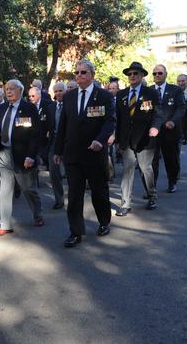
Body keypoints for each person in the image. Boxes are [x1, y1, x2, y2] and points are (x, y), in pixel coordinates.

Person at [54, 59, 116, 248]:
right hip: (73, 155)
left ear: (92, 75)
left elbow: (110, 122)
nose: (79, 76)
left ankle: (104, 222)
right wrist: (58, 150)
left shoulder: (103, 96)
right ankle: (76, 231)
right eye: (77, 72)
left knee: (99, 192)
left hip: (94, 153)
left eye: (83, 72)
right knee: (74, 196)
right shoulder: (69, 97)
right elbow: (62, 125)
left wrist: (100, 140)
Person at [0, 79, 44, 236]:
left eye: (12, 89)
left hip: (23, 155)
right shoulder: (2, 108)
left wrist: (31, 156)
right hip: (4, 153)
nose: (8, 92)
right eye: (6, 89)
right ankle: (5, 224)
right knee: (5, 189)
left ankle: (38, 214)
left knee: (28, 188)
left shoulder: (29, 108)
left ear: (20, 91)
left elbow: (36, 135)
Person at [114, 62, 163, 217]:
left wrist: (155, 127)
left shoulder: (151, 93)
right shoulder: (121, 94)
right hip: (127, 140)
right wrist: (116, 139)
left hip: (145, 139)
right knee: (127, 170)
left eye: (136, 73)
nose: (132, 76)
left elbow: (158, 113)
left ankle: (151, 195)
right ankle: (125, 203)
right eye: (130, 74)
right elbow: (118, 119)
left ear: (142, 76)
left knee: (145, 168)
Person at [148, 64, 185, 193]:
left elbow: (181, 108)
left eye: (160, 73)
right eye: (154, 73)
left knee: (171, 159)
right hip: (154, 132)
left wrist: (173, 121)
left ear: (166, 74)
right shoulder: (149, 90)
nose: (157, 75)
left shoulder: (175, 90)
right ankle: (152, 188)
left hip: (170, 131)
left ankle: (172, 182)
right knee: (152, 161)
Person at [49, 81, 66, 209]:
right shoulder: (51, 107)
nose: (58, 93)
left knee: (72, 173)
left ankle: (76, 198)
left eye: (60, 90)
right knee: (54, 173)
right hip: (54, 143)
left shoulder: (71, 105)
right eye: (56, 91)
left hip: (69, 143)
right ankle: (59, 199)